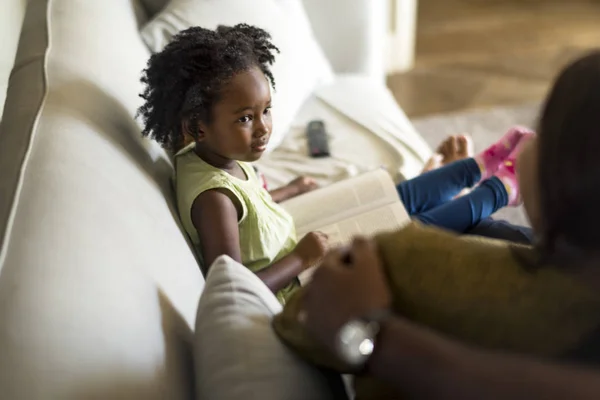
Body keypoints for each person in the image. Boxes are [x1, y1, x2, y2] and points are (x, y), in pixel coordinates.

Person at [137, 24, 530, 303]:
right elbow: (233, 286)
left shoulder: (208, 155)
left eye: (266, 111)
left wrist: (288, 191)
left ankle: (482, 164)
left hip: (304, 235)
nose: (263, 129)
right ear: (196, 125)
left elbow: (249, 205)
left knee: (398, 195)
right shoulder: (213, 200)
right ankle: (504, 187)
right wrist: (301, 258)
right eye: (244, 118)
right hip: (310, 280)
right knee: (415, 228)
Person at [298, 50, 600, 397]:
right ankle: (483, 183)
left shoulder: (408, 260)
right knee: (470, 220)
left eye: (543, 130)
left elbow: (305, 310)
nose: (532, 139)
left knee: (413, 209)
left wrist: (372, 337)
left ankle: (495, 186)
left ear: (566, 181)